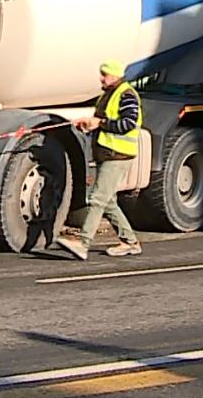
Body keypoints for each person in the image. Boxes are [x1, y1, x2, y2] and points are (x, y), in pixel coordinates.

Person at [56, 61, 143, 260]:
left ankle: (83, 243)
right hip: (107, 154)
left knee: (97, 198)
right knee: (108, 201)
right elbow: (104, 123)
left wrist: (100, 123)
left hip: (118, 155)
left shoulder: (127, 95)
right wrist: (89, 125)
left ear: (115, 76)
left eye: (104, 74)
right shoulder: (109, 94)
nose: (101, 78)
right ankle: (130, 242)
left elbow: (128, 123)